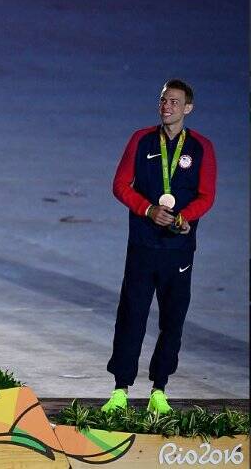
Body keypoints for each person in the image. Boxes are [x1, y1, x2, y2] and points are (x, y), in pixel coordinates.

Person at [103, 79, 216, 413]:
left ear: (188, 109)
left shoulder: (201, 147)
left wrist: (184, 218)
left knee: (173, 318)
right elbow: (120, 185)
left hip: (178, 249)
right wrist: (148, 209)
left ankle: (159, 389)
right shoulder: (141, 140)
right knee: (131, 316)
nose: (167, 106)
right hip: (142, 245)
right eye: (164, 100)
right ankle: (120, 389)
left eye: (175, 102)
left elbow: (207, 195)